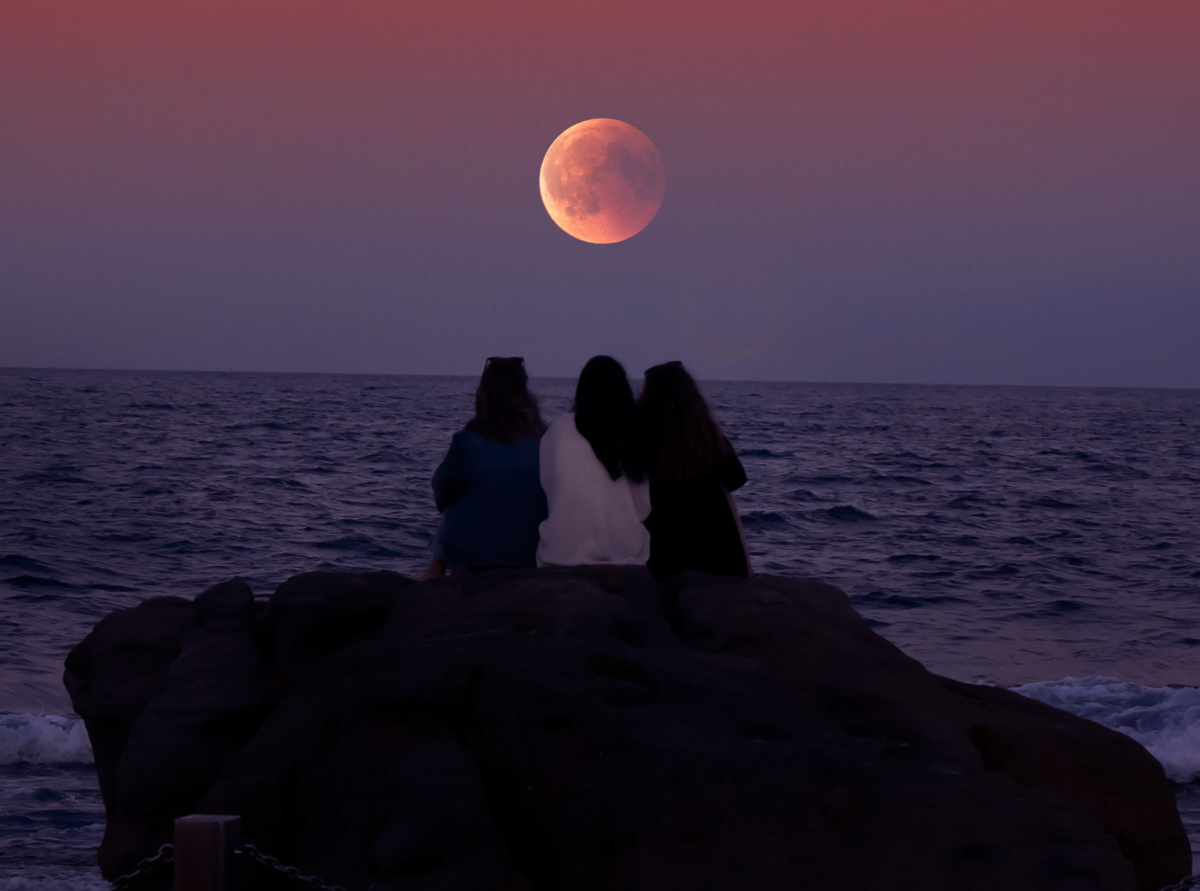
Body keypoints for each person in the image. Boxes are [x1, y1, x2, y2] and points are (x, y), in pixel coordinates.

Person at [422, 357, 548, 578]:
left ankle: (435, 570)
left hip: (478, 561)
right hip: (533, 556)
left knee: (459, 494)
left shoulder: (468, 442)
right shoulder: (545, 441)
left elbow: (441, 492)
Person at [637, 361, 752, 578]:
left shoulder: (642, 438)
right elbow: (735, 480)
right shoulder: (707, 439)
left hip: (665, 554)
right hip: (717, 554)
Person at [537, 355, 651, 567]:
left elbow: (549, 487)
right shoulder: (634, 431)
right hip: (622, 554)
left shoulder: (559, 428)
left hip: (559, 554)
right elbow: (644, 506)